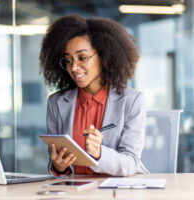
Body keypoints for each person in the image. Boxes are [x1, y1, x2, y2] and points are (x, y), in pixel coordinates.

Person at [39, 15, 149, 177]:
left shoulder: (132, 101)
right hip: (74, 191)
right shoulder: (56, 103)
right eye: (68, 61)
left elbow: (131, 162)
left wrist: (99, 153)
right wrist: (59, 166)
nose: (74, 68)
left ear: (104, 55)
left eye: (82, 58)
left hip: (116, 191)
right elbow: (56, 161)